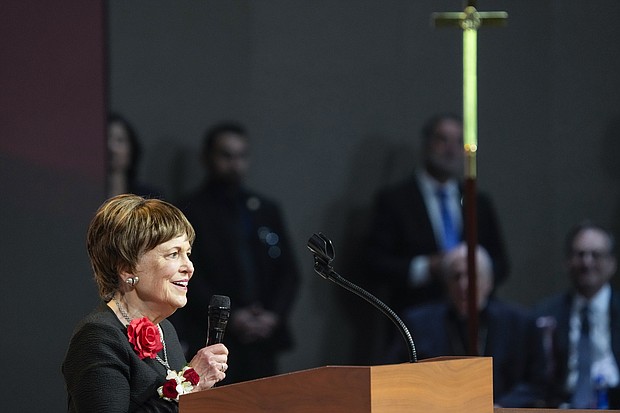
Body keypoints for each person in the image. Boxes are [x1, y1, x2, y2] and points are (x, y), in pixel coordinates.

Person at [62, 194, 229, 412]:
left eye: (187, 253)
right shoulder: (98, 337)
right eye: (173, 254)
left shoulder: (165, 332)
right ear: (126, 268)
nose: (189, 267)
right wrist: (190, 381)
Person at [170, 121, 300, 384]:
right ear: (207, 158)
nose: (235, 164)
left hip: (263, 340)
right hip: (211, 337)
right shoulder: (188, 211)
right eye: (226, 155)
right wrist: (232, 316)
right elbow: (184, 273)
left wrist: (272, 315)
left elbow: (288, 272)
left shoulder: (264, 209)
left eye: (241, 156)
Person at [365, 113, 509, 315]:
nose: (451, 149)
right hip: (415, 316)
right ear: (426, 144)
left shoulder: (478, 202)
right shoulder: (394, 201)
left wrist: (474, 270)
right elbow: (374, 263)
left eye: (459, 142)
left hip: (473, 320)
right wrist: (428, 268)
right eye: (443, 140)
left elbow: (501, 263)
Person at [387, 243, 543, 407]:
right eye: (457, 276)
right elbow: (394, 377)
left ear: (489, 282)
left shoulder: (520, 324)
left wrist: (500, 407)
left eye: (472, 276)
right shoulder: (418, 323)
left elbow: (538, 383)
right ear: (446, 284)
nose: (464, 285)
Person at [533, 221, 620, 408]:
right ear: (567, 262)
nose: (587, 262)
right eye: (580, 255)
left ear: (612, 263)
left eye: (595, 255)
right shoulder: (545, 313)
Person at [107, 113, 163, 199]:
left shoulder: (149, 197)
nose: (112, 148)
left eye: (120, 140)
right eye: (107, 139)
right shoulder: (85, 196)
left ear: (132, 149)